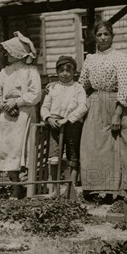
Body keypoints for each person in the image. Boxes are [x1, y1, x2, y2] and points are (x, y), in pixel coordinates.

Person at [78, 21, 127, 201]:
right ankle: (95, 188)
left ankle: (117, 190)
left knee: (116, 147)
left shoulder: (121, 58)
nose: (103, 38)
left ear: (112, 36)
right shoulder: (90, 59)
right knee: (92, 146)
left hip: (115, 104)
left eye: (106, 34)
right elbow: (82, 85)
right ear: (95, 38)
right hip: (94, 103)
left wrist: (117, 113)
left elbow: (125, 87)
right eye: (99, 35)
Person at [0, 31, 41, 199]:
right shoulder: (3, 73)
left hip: (24, 116)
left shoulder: (30, 71)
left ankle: (27, 187)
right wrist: (4, 105)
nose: (7, 55)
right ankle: (15, 187)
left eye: (9, 51)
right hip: (7, 118)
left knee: (22, 150)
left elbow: (35, 94)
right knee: (8, 151)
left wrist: (17, 102)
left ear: (17, 52)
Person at [40, 55, 87, 193]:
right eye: (61, 70)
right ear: (57, 72)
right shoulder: (53, 88)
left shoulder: (78, 88)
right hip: (55, 125)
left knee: (73, 155)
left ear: (74, 72)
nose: (65, 73)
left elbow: (83, 106)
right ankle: (55, 188)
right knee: (54, 157)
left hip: (72, 124)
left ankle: (70, 189)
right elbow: (45, 107)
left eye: (68, 70)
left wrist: (68, 119)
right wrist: (48, 118)